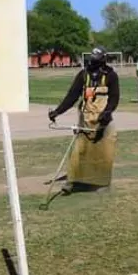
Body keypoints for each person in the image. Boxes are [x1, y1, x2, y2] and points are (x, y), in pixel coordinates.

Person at [48, 46, 120, 195]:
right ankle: (72, 182)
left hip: (104, 121)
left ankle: (101, 183)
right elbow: (72, 96)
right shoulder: (83, 75)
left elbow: (114, 97)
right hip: (85, 120)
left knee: (104, 153)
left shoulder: (111, 76)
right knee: (78, 151)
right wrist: (58, 111)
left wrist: (107, 113)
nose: (93, 62)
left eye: (96, 60)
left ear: (103, 60)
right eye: (92, 59)